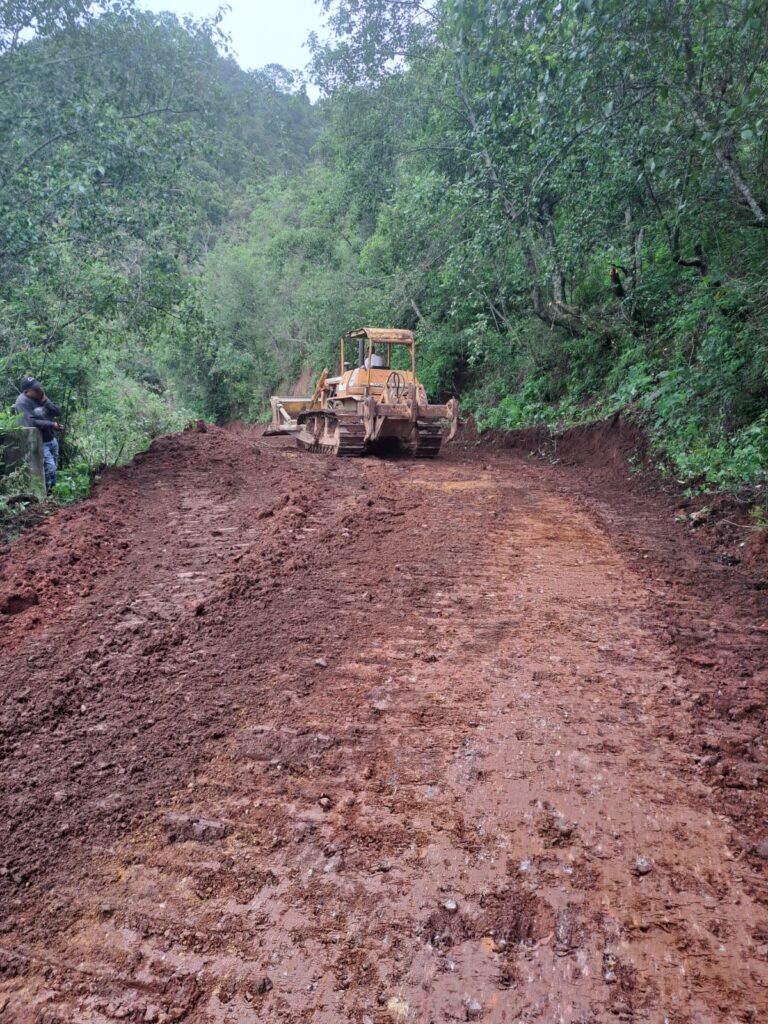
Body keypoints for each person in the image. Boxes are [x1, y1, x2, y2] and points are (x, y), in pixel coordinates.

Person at [14, 376, 64, 491]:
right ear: (26, 391)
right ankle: (47, 494)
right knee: (49, 468)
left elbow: (57, 411)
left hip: (51, 439)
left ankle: (53, 492)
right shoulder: (22, 402)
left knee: (53, 467)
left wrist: (45, 400)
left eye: (38, 387)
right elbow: (30, 422)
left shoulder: (40, 397)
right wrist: (51, 424)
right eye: (35, 389)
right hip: (40, 442)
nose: (38, 390)